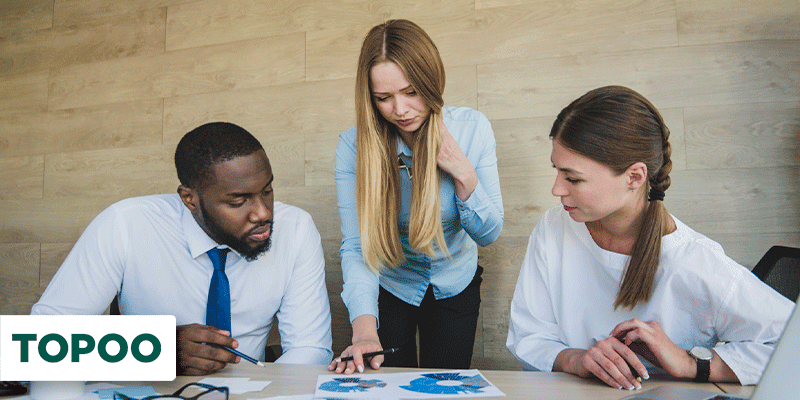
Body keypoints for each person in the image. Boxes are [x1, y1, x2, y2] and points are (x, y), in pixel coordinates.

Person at [506, 85, 794, 390]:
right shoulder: (554, 227)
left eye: (573, 178)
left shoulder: (696, 261)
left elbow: (791, 348)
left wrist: (691, 363)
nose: (557, 189)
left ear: (634, 177)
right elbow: (529, 336)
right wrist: (575, 359)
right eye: (557, 171)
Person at [32, 122, 333, 375]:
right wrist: (153, 350)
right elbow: (36, 344)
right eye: (238, 201)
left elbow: (311, 349)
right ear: (189, 199)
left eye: (267, 190)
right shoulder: (126, 224)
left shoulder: (295, 229)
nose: (263, 213)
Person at [330, 19, 504, 375]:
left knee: (445, 388)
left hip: (456, 280)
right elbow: (357, 246)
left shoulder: (472, 129)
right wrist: (364, 329)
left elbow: (488, 233)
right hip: (391, 285)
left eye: (411, 92)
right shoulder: (352, 148)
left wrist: (463, 173)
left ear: (432, 80)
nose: (400, 110)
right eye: (383, 98)